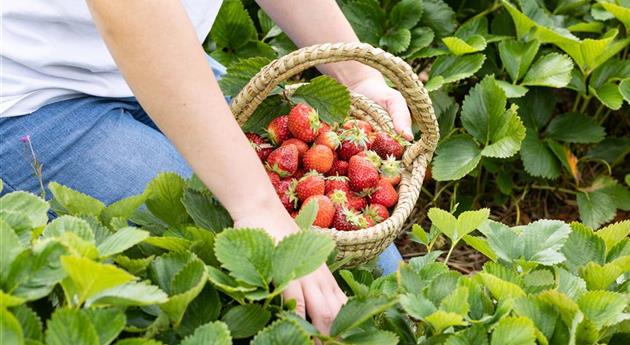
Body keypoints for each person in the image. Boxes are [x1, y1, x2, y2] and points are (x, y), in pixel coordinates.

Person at [0, 0, 412, 334]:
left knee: (380, 284)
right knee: (282, 284)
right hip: (31, 95)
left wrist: (357, 77)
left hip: (168, 59)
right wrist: (258, 207)